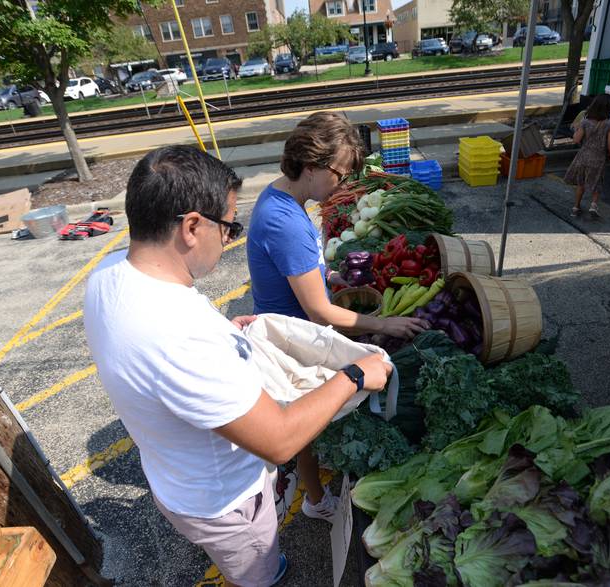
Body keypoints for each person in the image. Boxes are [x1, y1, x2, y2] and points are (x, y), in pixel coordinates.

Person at [84, 145, 391, 587]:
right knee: (260, 573)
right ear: (192, 226)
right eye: (229, 227)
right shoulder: (177, 338)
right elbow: (281, 441)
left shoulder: (112, 273)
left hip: (177, 478)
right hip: (226, 504)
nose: (230, 241)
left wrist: (226, 331)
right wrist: (356, 374)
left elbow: (170, 347)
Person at [247, 111, 428, 522]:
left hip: (292, 327)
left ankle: (300, 477)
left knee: (306, 420)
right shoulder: (286, 221)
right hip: (294, 341)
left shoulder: (282, 198)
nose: (344, 184)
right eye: (341, 174)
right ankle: (314, 500)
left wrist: (327, 273)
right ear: (311, 165)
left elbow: (294, 268)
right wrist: (384, 325)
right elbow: (318, 310)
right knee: (303, 424)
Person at [564, 94, 610, 218]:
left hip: (583, 156)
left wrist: (577, 129)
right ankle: (593, 205)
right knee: (597, 182)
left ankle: (576, 207)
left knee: (580, 183)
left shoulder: (585, 122)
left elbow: (576, 140)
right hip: (598, 157)